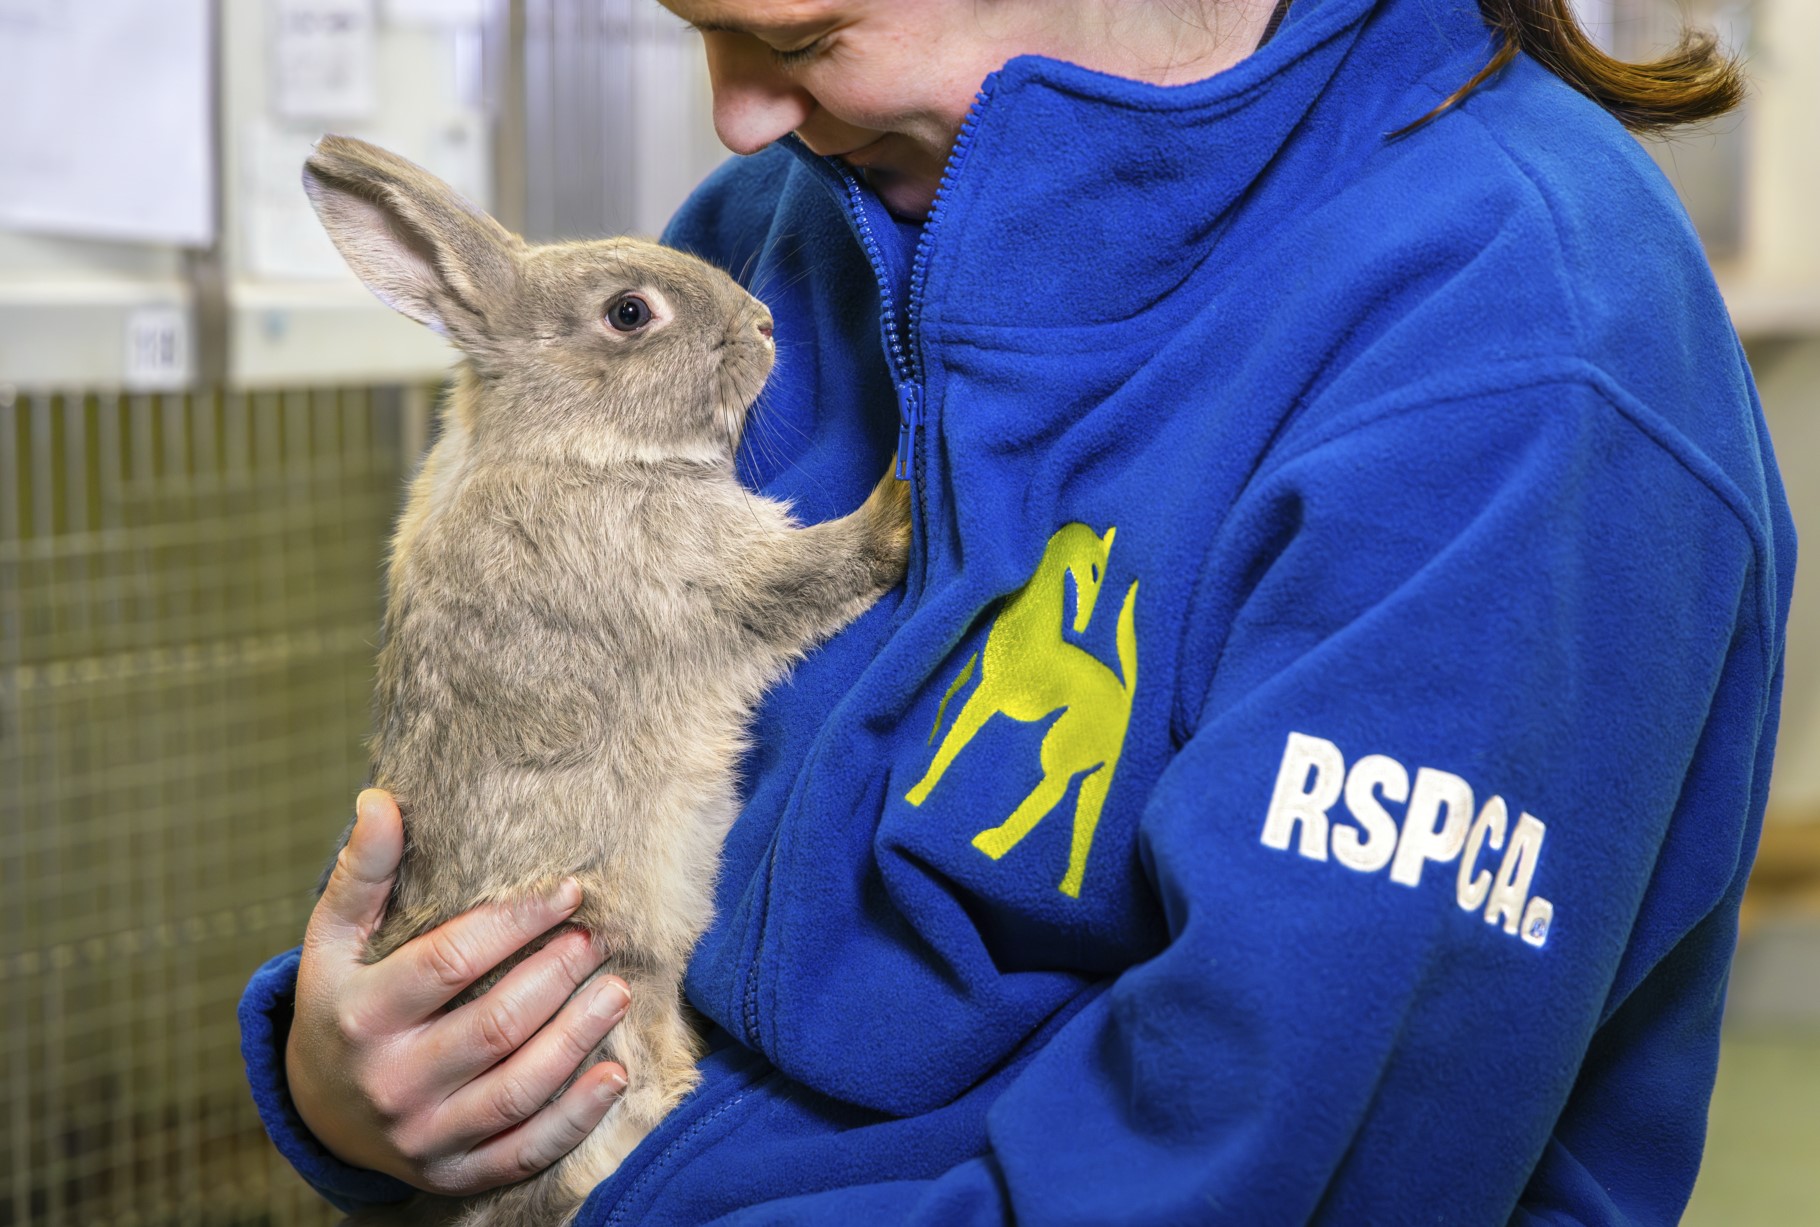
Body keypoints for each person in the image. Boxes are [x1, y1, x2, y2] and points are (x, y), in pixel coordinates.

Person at [241, 0, 1797, 1222]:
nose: (735, 111)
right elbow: (547, 756)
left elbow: (1265, 1144)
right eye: (697, 29)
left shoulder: (1516, 352)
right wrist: (357, 1078)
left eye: (797, 38)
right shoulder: (778, 229)